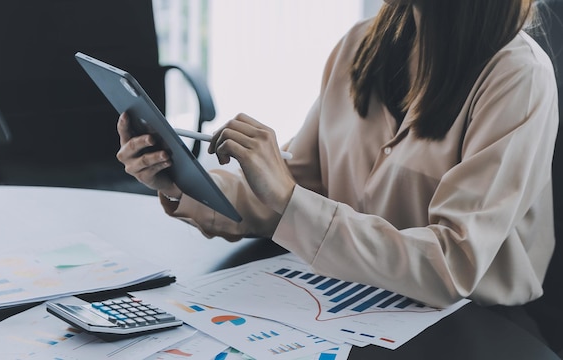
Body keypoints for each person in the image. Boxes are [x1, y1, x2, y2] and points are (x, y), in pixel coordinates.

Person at [117, 0, 556, 316]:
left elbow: (452, 266)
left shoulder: (518, 77)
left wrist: (291, 199)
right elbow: (298, 195)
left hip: (470, 322)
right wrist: (180, 178)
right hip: (349, 299)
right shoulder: (361, 44)